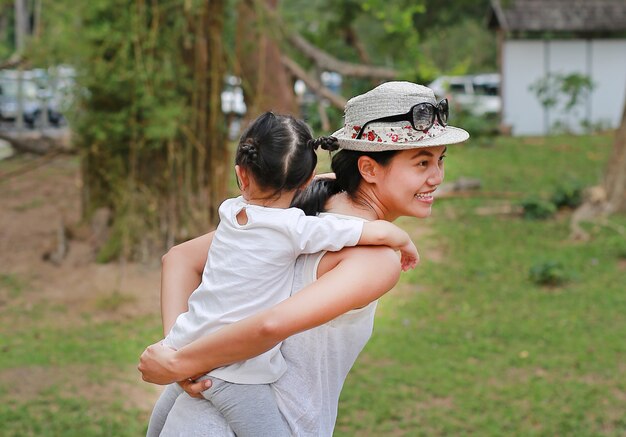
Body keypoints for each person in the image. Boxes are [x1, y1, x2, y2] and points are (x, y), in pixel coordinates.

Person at [138, 81, 469, 436]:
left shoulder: (296, 206)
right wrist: (177, 362)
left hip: (188, 415)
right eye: (421, 163)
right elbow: (269, 324)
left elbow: (178, 257)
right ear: (369, 169)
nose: (437, 177)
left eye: (439, 160)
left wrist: (181, 354)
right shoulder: (376, 259)